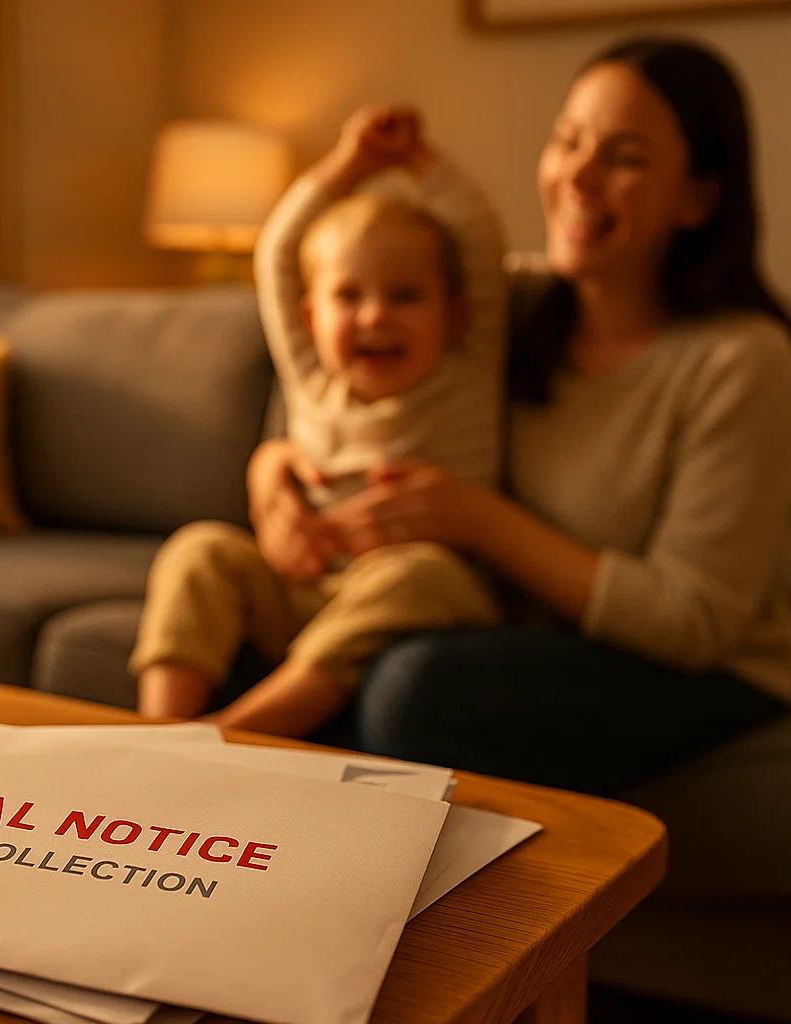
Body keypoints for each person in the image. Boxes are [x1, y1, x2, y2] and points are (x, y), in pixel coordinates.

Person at [245, 36, 791, 796]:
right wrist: (272, 480)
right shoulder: (507, 309)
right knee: (248, 623)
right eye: (567, 142)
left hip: (698, 670)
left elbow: (693, 623)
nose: (578, 177)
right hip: (511, 632)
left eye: (623, 157)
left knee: (414, 687)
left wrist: (477, 520)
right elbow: (329, 400)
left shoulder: (743, 362)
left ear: (698, 197)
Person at [130, 107, 508, 738]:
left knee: (424, 573)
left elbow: (478, 235)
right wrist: (347, 164)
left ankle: (236, 731)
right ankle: (156, 732)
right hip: (297, 588)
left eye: (405, 295)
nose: (375, 317)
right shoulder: (311, 374)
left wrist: (421, 163)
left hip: (409, 591)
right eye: (349, 296)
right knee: (198, 550)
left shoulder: (461, 371)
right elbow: (278, 251)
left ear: (456, 314)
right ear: (310, 317)